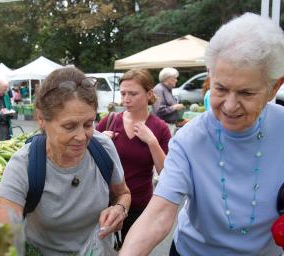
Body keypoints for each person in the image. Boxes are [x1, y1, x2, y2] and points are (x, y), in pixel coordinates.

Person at [119, 13, 284, 256]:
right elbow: (158, 214)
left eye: (246, 93)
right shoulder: (189, 139)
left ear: (273, 88)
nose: (229, 106)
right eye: (220, 88)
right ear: (210, 76)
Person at [0, 67, 131, 255]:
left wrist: (120, 208)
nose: (82, 137)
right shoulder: (23, 166)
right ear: (41, 119)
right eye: (69, 126)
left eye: (88, 124)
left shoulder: (103, 148)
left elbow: (123, 193)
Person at [96, 69, 171, 246]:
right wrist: (99, 144)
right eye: (123, 93)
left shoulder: (160, 128)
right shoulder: (109, 121)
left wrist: (152, 141)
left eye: (133, 93)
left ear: (149, 94)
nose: (126, 99)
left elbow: (166, 173)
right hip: (107, 203)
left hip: (140, 205)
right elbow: (84, 160)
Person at [152, 67, 185, 134]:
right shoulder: (159, 89)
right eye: (174, 78)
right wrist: (174, 107)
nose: (176, 80)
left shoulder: (167, 89)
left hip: (169, 126)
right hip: (163, 127)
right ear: (167, 78)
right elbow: (159, 110)